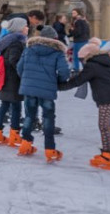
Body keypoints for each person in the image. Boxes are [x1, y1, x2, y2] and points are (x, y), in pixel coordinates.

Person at [59, 38, 110, 170]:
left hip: (108, 99)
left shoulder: (92, 66)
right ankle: (108, 153)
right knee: (104, 126)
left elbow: (77, 81)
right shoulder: (108, 64)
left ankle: (108, 155)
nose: (82, 62)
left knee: (103, 126)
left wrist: (60, 86)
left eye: (81, 59)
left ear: (88, 56)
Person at [16, 26, 70, 161]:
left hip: (29, 89)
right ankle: (50, 149)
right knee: (48, 118)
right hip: (47, 90)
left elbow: (19, 67)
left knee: (29, 116)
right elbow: (64, 71)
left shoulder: (29, 49)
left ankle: (25, 144)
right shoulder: (57, 52)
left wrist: (26, 80)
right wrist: (57, 82)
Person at [0, 17, 28, 147]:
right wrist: (23, 74)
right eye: (25, 26)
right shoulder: (17, 42)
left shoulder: (7, 40)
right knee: (16, 106)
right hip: (12, 80)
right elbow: (14, 61)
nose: (27, 28)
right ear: (19, 28)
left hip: (5, 78)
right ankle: (14, 135)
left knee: (5, 105)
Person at [69, 8, 90, 72]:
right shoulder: (84, 21)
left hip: (79, 41)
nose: (72, 14)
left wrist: (71, 31)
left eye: (74, 13)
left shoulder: (78, 21)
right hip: (85, 40)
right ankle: (87, 70)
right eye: (72, 13)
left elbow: (78, 32)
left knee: (76, 56)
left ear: (78, 13)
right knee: (83, 56)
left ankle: (76, 70)